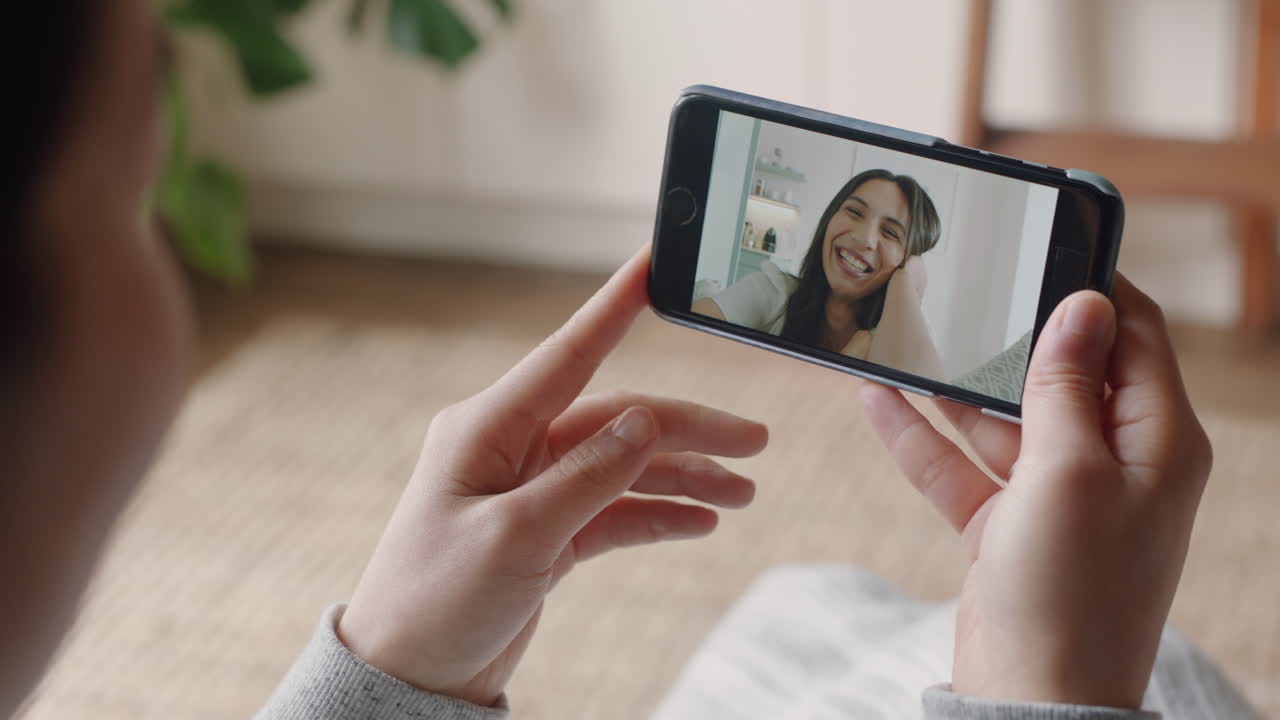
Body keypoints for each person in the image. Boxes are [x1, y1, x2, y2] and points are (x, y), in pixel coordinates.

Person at [1, 2, 1261, 719]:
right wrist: (1049, 698)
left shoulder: (920, 340)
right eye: (132, 193)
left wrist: (384, 670)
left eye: (893, 227)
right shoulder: (766, 287)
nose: (865, 237)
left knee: (797, 603)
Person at [693, 170, 946, 380]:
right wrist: (851, 355)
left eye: (890, 233)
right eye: (855, 212)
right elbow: (679, 335)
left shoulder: (909, 333)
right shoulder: (773, 290)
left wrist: (904, 289)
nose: (864, 238)